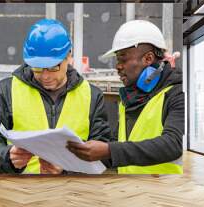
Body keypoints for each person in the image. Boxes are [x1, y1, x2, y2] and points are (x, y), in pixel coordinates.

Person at [0, 19, 111, 174]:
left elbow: (104, 153)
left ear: (68, 57)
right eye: (37, 68)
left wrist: (66, 170)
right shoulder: (5, 91)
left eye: (53, 67)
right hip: (22, 194)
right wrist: (7, 157)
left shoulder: (92, 96)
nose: (45, 76)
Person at [67, 20, 184, 174]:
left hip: (166, 193)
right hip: (130, 191)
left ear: (148, 59)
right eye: (117, 59)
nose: (117, 66)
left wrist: (109, 150)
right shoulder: (129, 99)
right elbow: (116, 150)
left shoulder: (177, 92)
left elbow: (173, 145)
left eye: (123, 58)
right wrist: (73, 157)